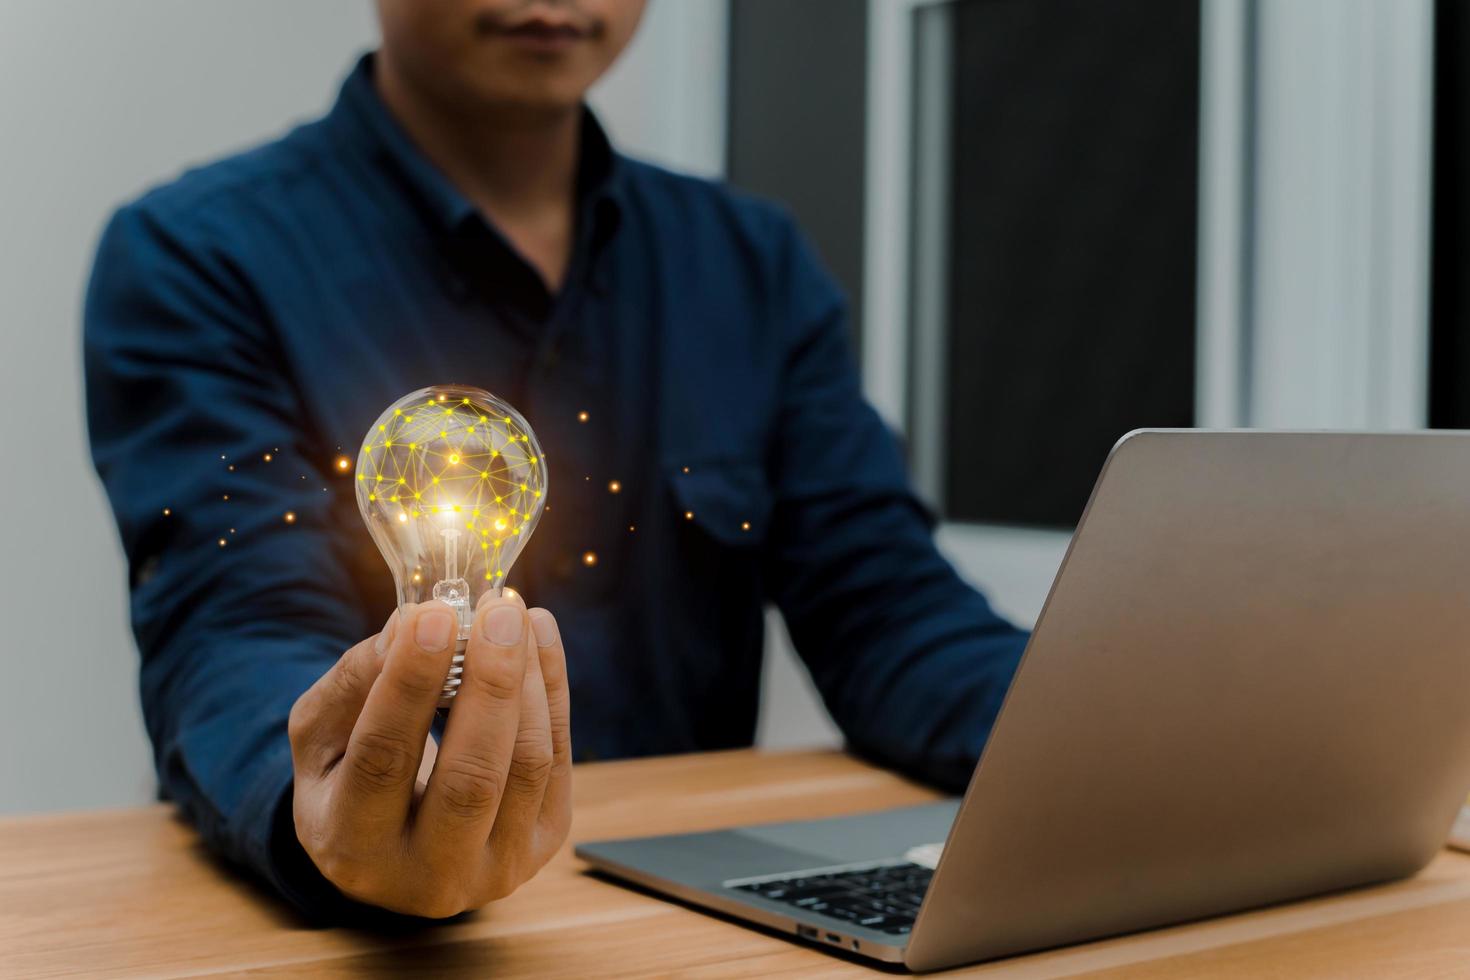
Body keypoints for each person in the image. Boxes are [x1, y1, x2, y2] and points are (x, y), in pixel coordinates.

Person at [84, 0, 1028, 922]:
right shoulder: (198, 255)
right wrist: (332, 805)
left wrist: (1102, 743)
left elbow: (889, 604)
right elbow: (233, 624)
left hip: (669, 917)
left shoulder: (750, 263)